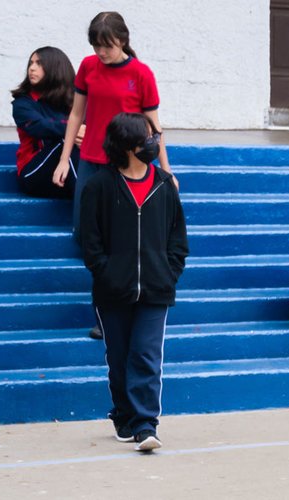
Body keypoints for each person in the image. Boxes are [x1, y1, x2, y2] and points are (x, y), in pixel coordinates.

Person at [78, 112, 186, 452]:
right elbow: (89, 239)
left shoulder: (164, 184)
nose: (154, 143)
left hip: (156, 289)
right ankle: (124, 415)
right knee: (119, 356)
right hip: (113, 290)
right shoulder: (99, 186)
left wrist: (169, 271)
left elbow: (177, 238)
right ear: (127, 146)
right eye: (147, 139)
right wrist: (106, 273)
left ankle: (144, 425)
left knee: (146, 355)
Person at [56, 12, 172, 237]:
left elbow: (155, 127)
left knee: (118, 230)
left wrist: (166, 171)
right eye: (96, 45)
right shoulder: (89, 66)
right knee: (82, 228)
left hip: (125, 161)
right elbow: (76, 114)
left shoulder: (141, 74)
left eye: (107, 46)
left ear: (122, 40)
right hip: (90, 158)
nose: (101, 52)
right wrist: (63, 159)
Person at [12, 46, 77, 199]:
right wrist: (74, 129)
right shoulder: (23, 103)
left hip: (65, 176)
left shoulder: (74, 103)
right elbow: (39, 127)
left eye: (39, 63)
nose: (32, 68)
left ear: (55, 68)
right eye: (31, 63)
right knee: (66, 141)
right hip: (34, 174)